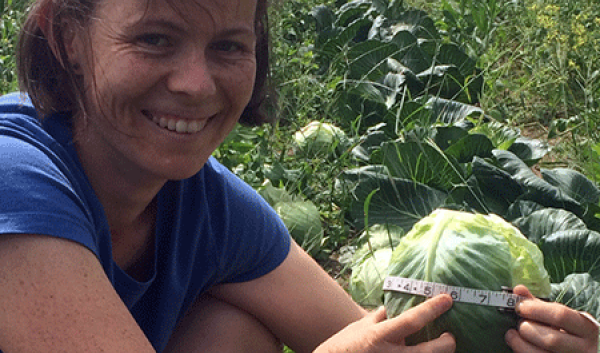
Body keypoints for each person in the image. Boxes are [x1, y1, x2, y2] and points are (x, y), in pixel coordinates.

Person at [0, 0, 596, 352]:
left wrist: (551, 340)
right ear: (67, 37)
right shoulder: (14, 178)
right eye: (155, 39)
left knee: (227, 332)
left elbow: (375, 335)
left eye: (229, 47)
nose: (196, 83)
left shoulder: (204, 204)